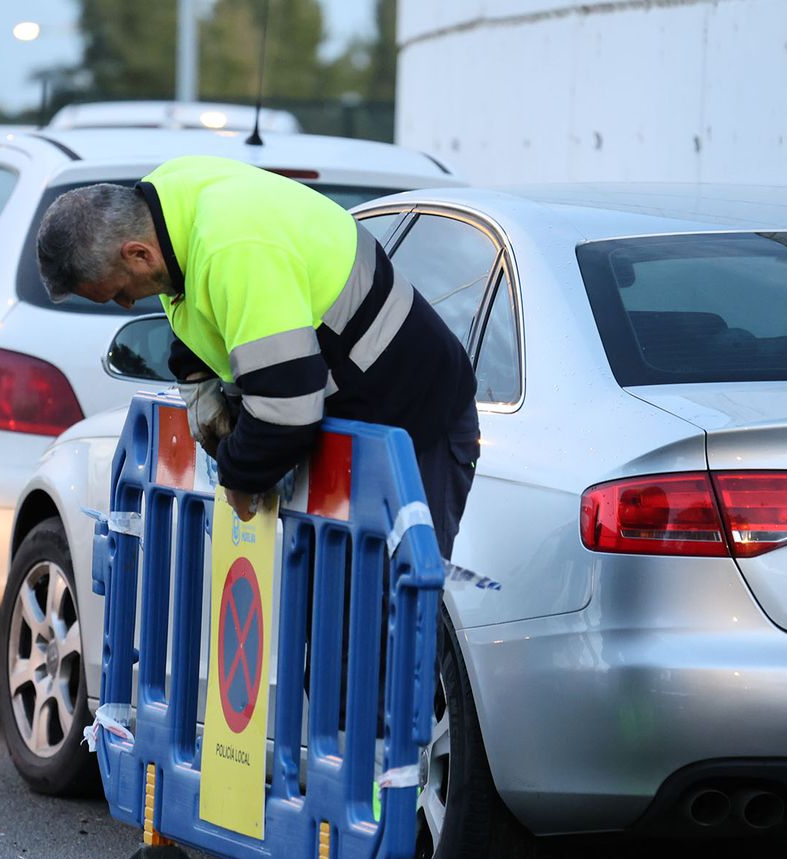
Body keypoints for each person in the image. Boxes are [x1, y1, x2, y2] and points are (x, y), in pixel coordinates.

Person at [35, 155, 479, 558]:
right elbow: (203, 304)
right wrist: (195, 376)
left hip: (415, 425)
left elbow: (286, 409)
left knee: (388, 621)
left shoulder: (234, 246)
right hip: (357, 421)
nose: (128, 306)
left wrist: (239, 478)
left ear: (137, 253)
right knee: (331, 621)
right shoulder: (163, 209)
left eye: (118, 293)